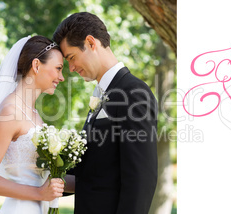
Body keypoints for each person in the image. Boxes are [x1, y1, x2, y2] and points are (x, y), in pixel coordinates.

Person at [53, 12, 158, 214]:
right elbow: (94, 170)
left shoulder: (133, 93)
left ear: (91, 43)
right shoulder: (102, 93)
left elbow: (140, 180)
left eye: (72, 58)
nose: (72, 68)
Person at [0, 35, 72, 214]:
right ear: (36, 65)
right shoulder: (10, 111)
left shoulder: (33, 114)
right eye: (58, 69)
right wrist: (39, 193)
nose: (61, 77)